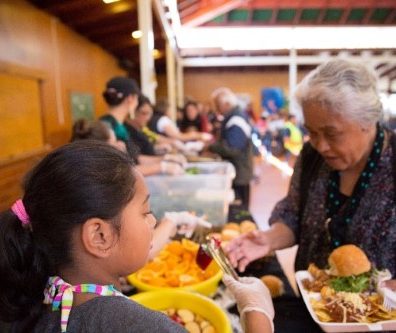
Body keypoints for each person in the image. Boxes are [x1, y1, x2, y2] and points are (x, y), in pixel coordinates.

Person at [0, 141, 273, 333]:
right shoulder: (142, 326)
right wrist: (257, 315)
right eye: (146, 212)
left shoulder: (38, 293)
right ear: (99, 236)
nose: (153, 220)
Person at [225, 59, 396, 325]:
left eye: (331, 133)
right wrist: (268, 239)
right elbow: (294, 213)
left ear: (368, 120)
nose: (321, 145)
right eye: (312, 132)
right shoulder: (312, 156)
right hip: (313, 310)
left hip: (378, 320)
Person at [100, 76, 185, 176]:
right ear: (131, 98)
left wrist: (164, 159)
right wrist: (161, 166)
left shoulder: (118, 125)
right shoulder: (107, 127)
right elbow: (117, 171)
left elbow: (135, 158)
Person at [209, 87, 254, 209]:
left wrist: (211, 146)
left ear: (227, 104)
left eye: (218, 106)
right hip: (237, 171)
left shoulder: (236, 120)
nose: (218, 110)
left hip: (239, 174)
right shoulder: (233, 117)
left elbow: (232, 148)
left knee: (240, 210)